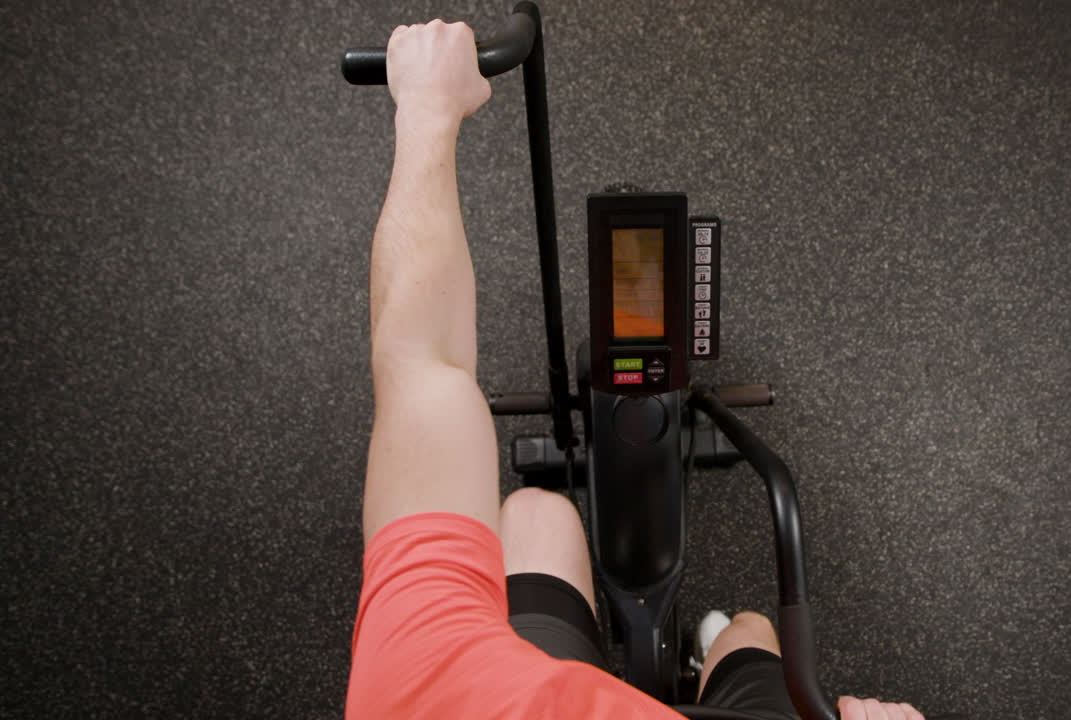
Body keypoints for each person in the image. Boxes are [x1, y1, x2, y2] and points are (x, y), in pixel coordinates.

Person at [344, 20, 926, 720]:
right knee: (750, 632)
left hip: (524, 686)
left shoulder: (429, 690)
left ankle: (706, 646)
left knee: (534, 511)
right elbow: (420, 363)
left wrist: (427, 111)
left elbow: (422, 364)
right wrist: (431, 111)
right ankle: (717, 649)